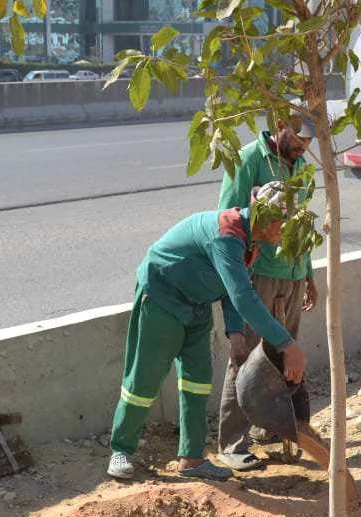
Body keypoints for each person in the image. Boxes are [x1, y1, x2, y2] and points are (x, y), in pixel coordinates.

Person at [107, 183, 308, 481]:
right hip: (162, 299)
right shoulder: (227, 236)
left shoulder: (251, 242)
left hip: (197, 305)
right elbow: (243, 296)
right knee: (144, 379)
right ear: (266, 217)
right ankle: (120, 450)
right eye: (285, 223)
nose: (286, 233)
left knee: (197, 382)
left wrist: (235, 333)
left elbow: (231, 290)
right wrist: (287, 345)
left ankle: (191, 460)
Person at [215, 110, 319, 472]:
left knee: (282, 357)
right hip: (258, 272)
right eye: (298, 137)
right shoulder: (249, 160)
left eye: (309, 140)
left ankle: (269, 428)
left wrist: (307, 273)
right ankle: (232, 443)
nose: (303, 146)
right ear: (281, 126)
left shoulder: (302, 165)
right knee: (245, 356)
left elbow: (303, 220)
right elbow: (227, 220)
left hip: (291, 272)